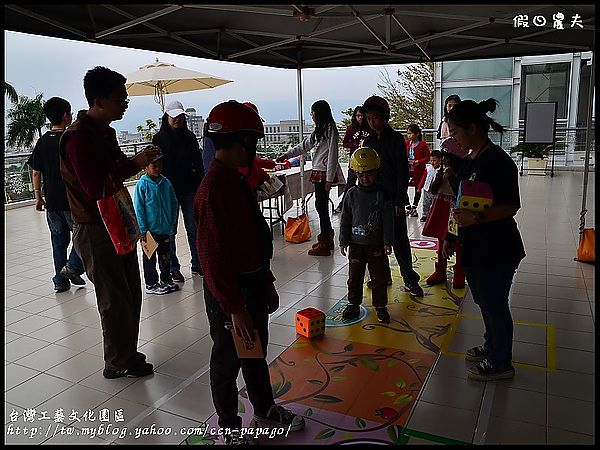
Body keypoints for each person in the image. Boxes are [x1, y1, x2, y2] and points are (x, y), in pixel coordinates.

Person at [194, 100, 305, 445]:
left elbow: (252, 241)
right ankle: (229, 426)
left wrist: (267, 281)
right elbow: (212, 259)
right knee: (227, 363)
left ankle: (264, 410)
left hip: (252, 283)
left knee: (254, 352)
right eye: (252, 143)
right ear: (239, 142)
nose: (254, 151)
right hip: (232, 294)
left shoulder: (235, 181)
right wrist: (235, 308)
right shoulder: (213, 191)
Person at [59, 66, 159, 378]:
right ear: (99, 101)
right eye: (121, 99)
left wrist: (136, 162)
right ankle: (117, 362)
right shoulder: (77, 139)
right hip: (94, 227)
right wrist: (137, 162)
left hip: (116, 220)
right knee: (113, 298)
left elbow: (116, 170)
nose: (125, 103)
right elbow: (97, 187)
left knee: (130, 291)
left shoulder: (106, 133)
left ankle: (126, 352)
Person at [444, 98, 525, 381]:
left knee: (495, 303)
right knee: (484, 301)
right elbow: (462, 205)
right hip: (476, 246)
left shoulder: (498, 162)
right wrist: (452, 236)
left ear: (473, 128)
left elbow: (511, 206)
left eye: (455, 132)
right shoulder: (469, 161)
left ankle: (501, 362)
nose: (452, 137)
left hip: (497, 247)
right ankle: (492, 346)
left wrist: (476, 220)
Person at [362, 95, 424, 297]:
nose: (372, 121)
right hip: (375, 198)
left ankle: (410, 280)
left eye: (376, 117)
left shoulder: (396, 138)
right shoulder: (369, 140)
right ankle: (383, 275)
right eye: (369, 118)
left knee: (399, 240)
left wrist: (399, 200)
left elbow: (402, 171)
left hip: (393, 197)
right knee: (377, 239)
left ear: (386, 117)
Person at [27, 97, 86, 293]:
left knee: (58, 242)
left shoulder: (43, 141)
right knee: (82, 236)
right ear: (66, 115)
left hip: (51, 202)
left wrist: (38, 197)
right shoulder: (70, 139)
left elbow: (36, 172)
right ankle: (71, 267)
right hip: (72, 200)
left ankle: (60, 281)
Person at [276, 100, 341, 256]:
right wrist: (287, 155)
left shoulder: (330, 129)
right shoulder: (320, 129)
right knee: (320, 205)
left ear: (319, 113)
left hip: (324, 172)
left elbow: (333, 153)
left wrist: (330, 178)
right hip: (320, 171)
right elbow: (305, 145)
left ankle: (326, 239)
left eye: (313, 112)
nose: (311, 115)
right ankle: (327, 237)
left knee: (321, 206)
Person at [340, 147, 394, 324]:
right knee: (354, 277)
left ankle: (381, 306)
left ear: (377, 171)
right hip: (356, 245)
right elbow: (346, 219)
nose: (364, 178)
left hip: (376, 244)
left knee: (378, 278)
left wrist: (387, 241)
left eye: (369, 174)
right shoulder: (351, 194)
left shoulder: (382, 194)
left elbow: (388, 220)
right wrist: (343, 241)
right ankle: (353, 304)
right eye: (360, 174)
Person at [152, 100, 204, 282]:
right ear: (166, 116)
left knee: (193, 228)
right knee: (170, 231)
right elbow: (154, 166)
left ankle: (197, 263)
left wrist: (200, 185)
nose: (177, 120)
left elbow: (198, 163)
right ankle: (173, 267)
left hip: (189, 189)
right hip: (167, 191)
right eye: (173, 116)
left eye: (180, 116)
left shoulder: (189, 137)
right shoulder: (158, 139)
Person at [134, 151, 180, 295]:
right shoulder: (142, 185)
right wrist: (142, 229)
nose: (158, 167)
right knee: (149, 258)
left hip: (165, 229)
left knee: (165, 256)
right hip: (148, 231)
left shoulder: (166, 183)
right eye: (154, 165)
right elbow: (139, 209)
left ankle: (166, 279)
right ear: (145, 167)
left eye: (160, 164)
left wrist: (172, 222)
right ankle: (151, 283)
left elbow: (174, 203)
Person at [422, 148, 465, 289]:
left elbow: (460, 188)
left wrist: (452, 176)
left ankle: (459, 274)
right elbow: (433, 189)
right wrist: (440, 173)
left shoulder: (461, 171)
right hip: (441, 205)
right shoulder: (440, 171)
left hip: (455, 205)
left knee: (458, 241)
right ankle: (440, 271)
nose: (445, 161)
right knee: (441, 238)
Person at [334, 106, 371, 213]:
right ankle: (344, 204)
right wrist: (355, 145)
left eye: (362, 115)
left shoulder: (369, 127)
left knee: (367, 181)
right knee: (351, 181)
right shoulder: (351, 128)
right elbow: (345, 143)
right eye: (358, 116)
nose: (360, 118)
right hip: (354, 159)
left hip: (368, 159)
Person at [237, 102, 277, 194]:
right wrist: (270, 164)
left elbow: (253, 163)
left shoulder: (240, 135)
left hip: (249, 182)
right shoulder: (242, 137)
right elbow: (251, 160)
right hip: (245, 183)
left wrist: (265, 176)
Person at [405, 124, 431, 218]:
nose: (409, 136)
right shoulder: (407, 143)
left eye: (411, 133)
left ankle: (414, 207)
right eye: (408, 133)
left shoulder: (422, 144)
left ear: (417, 134)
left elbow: (428, 157)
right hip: (408, 169)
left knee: (418, 188)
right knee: (404, 187)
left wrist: (419, 162)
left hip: (418, 170)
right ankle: (408, 206)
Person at [417, 150, 442, 223]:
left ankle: (434, 216)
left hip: (436, 191)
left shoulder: (441, 170)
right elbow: (423, 178)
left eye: (434, 160)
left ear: (440, 160)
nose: (432, 162)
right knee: (425, 204)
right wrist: (419, 187)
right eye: (431, 160)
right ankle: (425, 215)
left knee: (435, 204)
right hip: (426, 189)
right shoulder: (428, 168)